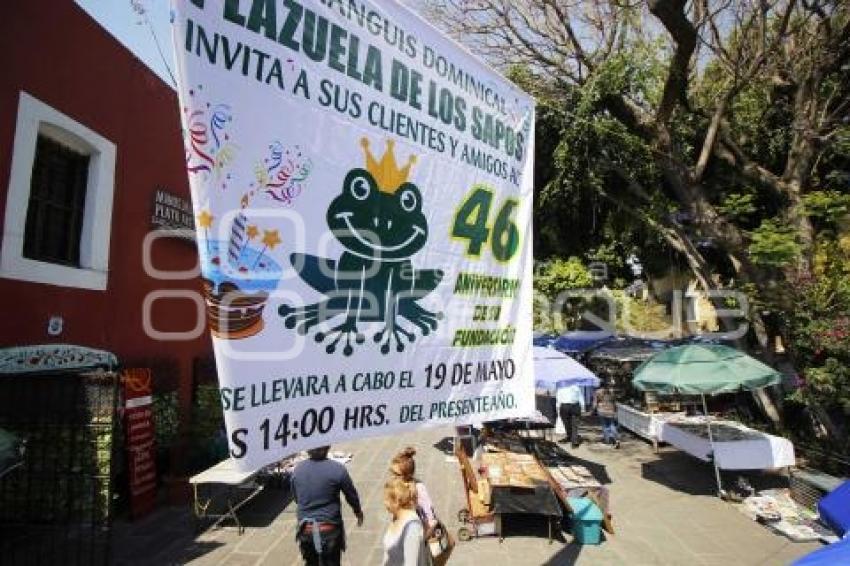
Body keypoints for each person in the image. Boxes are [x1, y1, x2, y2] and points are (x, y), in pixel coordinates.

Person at [291, 446, 364, 566]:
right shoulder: (338, 469)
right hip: (330, 529)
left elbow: (296, 498)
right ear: (328, 448)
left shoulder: (298, 470)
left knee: (311, 562)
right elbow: (351, 495)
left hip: (306, 529)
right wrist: (358, 512)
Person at [382, 476, 431, 566]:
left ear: (396, 502)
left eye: (386, 500)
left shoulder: (412, 528)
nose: (384, 503)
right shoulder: (396, 517)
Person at [390, 447, 437, 536]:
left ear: (408, 475)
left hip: (418, 528)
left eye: (397, 475)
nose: (393, 477)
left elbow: (429, 511)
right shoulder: (397, 485)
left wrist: (428, 531)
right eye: (392, 473)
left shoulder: (419, 488)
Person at [556, 382, 585, 447]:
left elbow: (580, 396)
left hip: (572, 405)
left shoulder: (575, 387)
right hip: (567, 405)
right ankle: (570, 437)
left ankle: (574, 440)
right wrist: (558, 407)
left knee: (573, 424)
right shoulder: (562, 387)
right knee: (568, 423)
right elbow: (558, 397)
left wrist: (583, 407)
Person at [593, 382, 620, 448]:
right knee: (612, 425)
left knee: (605, 426)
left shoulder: (597, 392)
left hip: (601, 411)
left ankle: (607, 441)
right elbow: (615, 402)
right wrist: (616, 411)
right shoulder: (611, 392)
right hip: (611, 411)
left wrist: (593, 410)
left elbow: (595, 403)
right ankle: (616, 439)